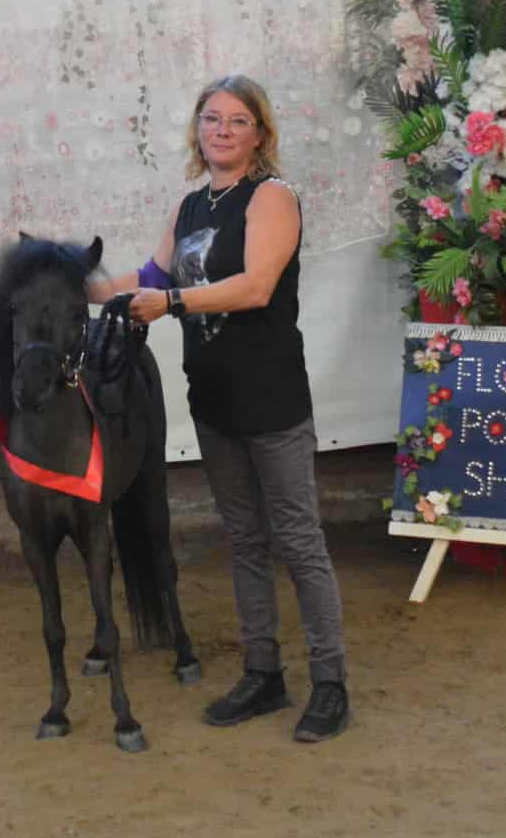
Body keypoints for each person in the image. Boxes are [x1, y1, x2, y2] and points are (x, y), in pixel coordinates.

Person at [89, 75, 350, 742]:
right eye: (212, 118)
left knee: (299, 540)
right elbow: (149, 279)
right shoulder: (189, 207)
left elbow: (256, 286)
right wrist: (74, 287)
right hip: (213, 399)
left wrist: (172, 304)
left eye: (238, 120)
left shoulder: (272, 197)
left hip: (272, 397)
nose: (222, 131)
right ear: (197, 129)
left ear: (260, 134)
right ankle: (264, 673)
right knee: (245, 541)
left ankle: (330, 683)